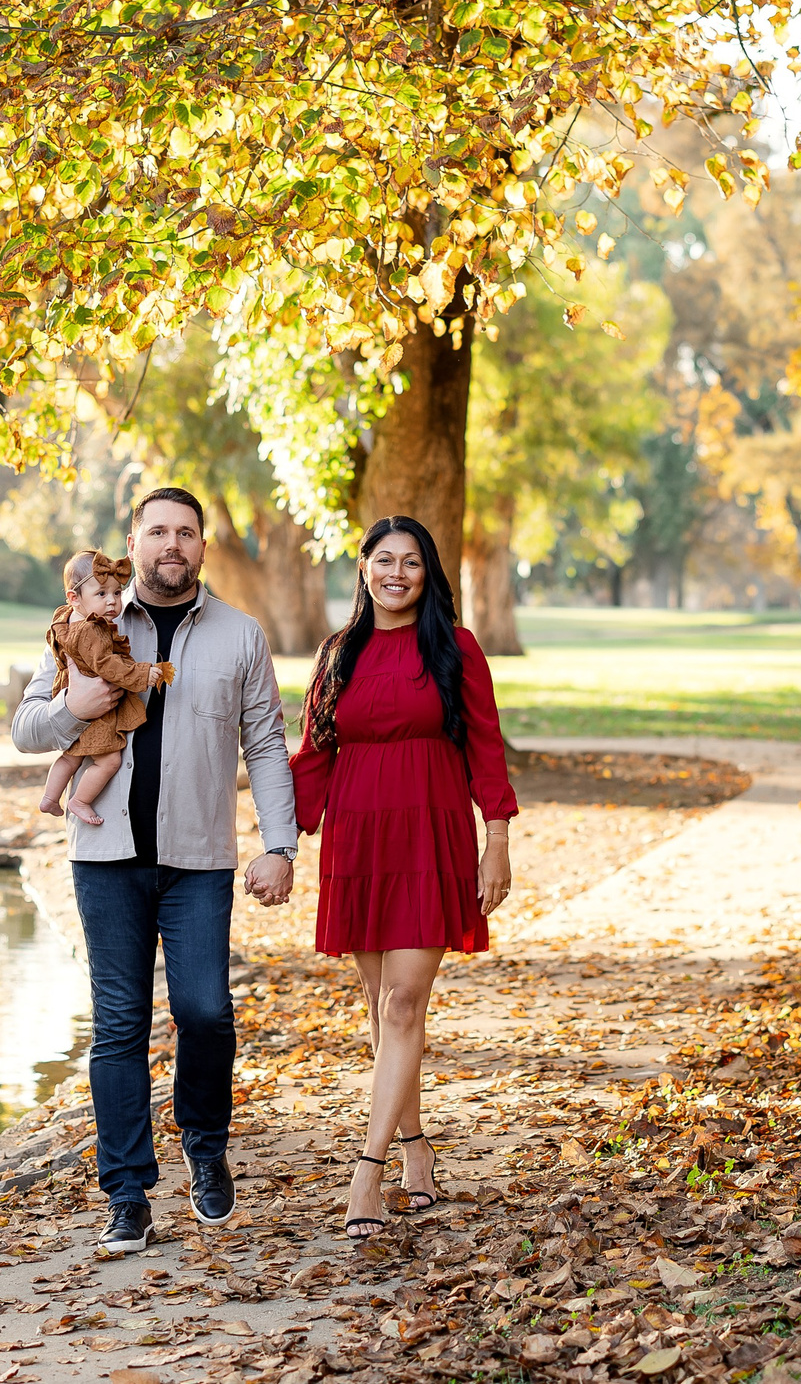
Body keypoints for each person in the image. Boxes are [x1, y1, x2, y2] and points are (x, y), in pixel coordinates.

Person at [10, 488, 300, 1256]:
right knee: (118, 1024)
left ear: (203, 546)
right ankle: (128, 1194)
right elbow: (25, 728)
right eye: (158, 530)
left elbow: (266, 743)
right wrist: (74, 703)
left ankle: (205, 1144)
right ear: (133, 542)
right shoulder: (84, 624)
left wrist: (280, 842)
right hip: (107, 862)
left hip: (199, 860)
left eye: (186, 532)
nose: (172, 543)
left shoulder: (240, 635)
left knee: (206, 1011)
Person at [288, 515, 517, 1239]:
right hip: (359, 838)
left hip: (430, 830)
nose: (396, 573)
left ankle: (369, 1167)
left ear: (428, 573)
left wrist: (497, 836)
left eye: (410, 562)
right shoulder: (337, 654)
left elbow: (484, 742)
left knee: (402, 1005)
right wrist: (281, 839)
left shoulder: (456, 648)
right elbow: (313, 753)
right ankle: (417, 1147)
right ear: (362, 568)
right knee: (381, 1007)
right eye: (383, 560)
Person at [37, 550, 175, 826]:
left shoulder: (66, 619)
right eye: (101, 594)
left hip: (70, 696)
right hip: (95, 707)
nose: (112, 602)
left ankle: (50, 797)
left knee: (71, 757)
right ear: (74, 598)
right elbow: (107, 665)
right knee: (109, 760)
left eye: (117, 592)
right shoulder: (89, 631)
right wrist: (142, 673)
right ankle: (80, 800)